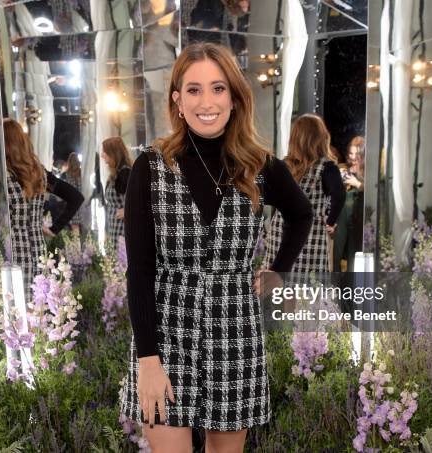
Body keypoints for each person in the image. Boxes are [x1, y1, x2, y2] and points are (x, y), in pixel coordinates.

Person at [120, 42, 313, 453]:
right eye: (193, 90)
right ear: (177, 99)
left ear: (234, 97)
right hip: (167, 333)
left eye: (217, 88)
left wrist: (277, 269)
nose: (206, 101)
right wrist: (147, 360)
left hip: (235, 333)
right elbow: (139, 272)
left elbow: (301, 215)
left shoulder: (262, 167)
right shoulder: (150, 167)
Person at [3, 119, 84, 298]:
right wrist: (54, 229)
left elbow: (76, 198)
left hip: (15, 253)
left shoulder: (5, 176)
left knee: (18, 311)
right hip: (39, 251)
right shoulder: (38, 172)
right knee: (38, 310)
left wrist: (55, 228)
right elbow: (75, 197)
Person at [263, 114, 345, 273]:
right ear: (321, 137)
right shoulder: (326, 167)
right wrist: (330, 221)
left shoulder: (284, 165)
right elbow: (339, 194)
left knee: (279, 284)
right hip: (310, 236)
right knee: (307, 290)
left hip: (280, 233)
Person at [333, 136, 365, 272]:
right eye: (350, 154)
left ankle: (351, 288)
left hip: (358, 220)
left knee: (354, 256)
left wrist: (357, 183)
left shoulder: (366, 173)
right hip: (340, 220)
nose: (352, 158)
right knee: (336, 254)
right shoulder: (343, 168)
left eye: (357, 154)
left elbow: (373, 192)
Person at [101, 137, 132, 252]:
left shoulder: (126, 173)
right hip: (114, 228)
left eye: (104, 152)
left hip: (123, 230)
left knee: (122, 265)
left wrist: (128, 210)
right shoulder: (115, 174)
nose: (102, 155)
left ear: (113, 153)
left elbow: (142, 200)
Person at [61, 152, 84, 233]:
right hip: (81, 204)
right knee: (79, 229)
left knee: (73, 229)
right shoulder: (82, 174)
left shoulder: (66, 174)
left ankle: (75, 245)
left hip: (71, 203)